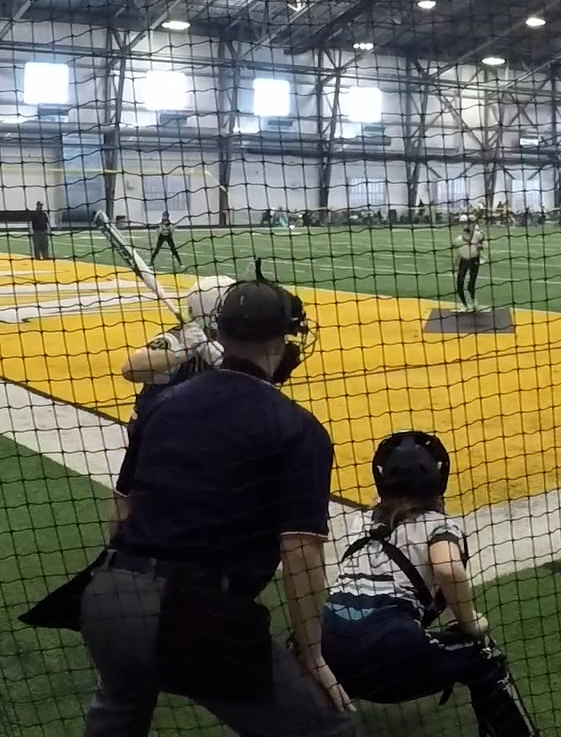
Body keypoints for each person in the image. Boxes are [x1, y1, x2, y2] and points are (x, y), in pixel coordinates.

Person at [74, 278, 353, 737]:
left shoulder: (162, 405)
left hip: (108, 596)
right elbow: (301, 551)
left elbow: (121, 507)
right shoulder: (298, 429)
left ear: (219, 333)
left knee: (120, 716)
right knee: (326, 731)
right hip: (197, 615)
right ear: (280, 342)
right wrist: (312, 653)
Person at [321, 432, 536, 737]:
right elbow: (448, 569)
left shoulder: (362, 521)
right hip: (389, 651)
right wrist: (469, 621)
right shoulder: (439, 525)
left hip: (327, 651)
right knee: (482, 654)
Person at [118, 275, 234, 424]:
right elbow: (131, 368)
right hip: (164, 429)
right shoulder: (181, 339)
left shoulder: (240, 340)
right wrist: (180, 353)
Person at [452, 215, 487, 312]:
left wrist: (481, 246)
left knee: (470, 285)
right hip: (463, 261)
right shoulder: (458, 240)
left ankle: (474, 303)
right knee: (459, 284)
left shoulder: (477, 235)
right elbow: (457, 250)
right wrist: (456, 259)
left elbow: (484, 243)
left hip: (474, 261)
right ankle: (465, 305)